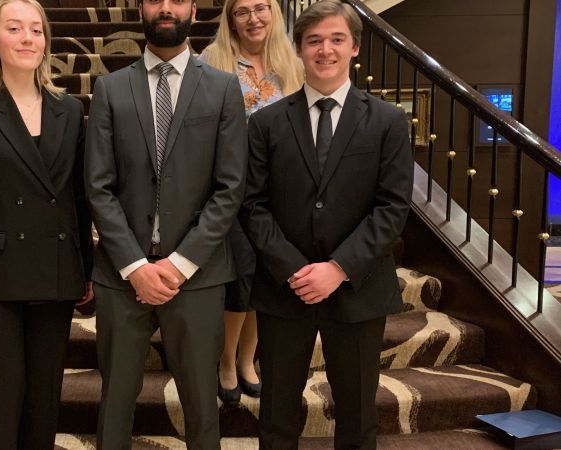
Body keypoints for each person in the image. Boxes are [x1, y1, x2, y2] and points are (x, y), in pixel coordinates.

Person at [239, 0, 413, 448]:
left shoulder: (388, 122)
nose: (325, 50)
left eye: (337, 39)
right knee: (277, 415)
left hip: (358, 289)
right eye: (313, 40)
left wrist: (337, 268)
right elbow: (252, 205)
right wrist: (296, 270)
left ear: (355, 46)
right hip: (285, 290)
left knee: (357, 416)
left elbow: (393, 208)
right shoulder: (266, 122)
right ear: (298, 48)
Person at [84, 0, 248, 446]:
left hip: (198, 274)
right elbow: (98, 186)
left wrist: (180, 263)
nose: (166, 8)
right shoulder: (110, 89)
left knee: (200, 402)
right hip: (123, 275)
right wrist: (135, 265)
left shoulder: (223, 88)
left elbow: (230, 188)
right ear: (141, 8)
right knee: (115, 400)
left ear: (192, 8)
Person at [0, 0, 93, 448]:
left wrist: (85, 264)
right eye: (15, 29)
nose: (28, 38)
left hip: (57, 268)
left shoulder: (69, 109)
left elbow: (77, 197)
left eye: (36, 30)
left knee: (44, 401)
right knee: (1, 401)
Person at [199, 0, 302, 406]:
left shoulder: (291, 62)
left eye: (261, 8)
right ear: (230, 19)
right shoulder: (213, 60)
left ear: (274, 13)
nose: (253, 18)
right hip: (230, 189)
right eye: (242, 10)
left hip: (280, 190)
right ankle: (225, 360)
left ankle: (247, 359)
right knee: (241, 275)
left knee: (265, 276)